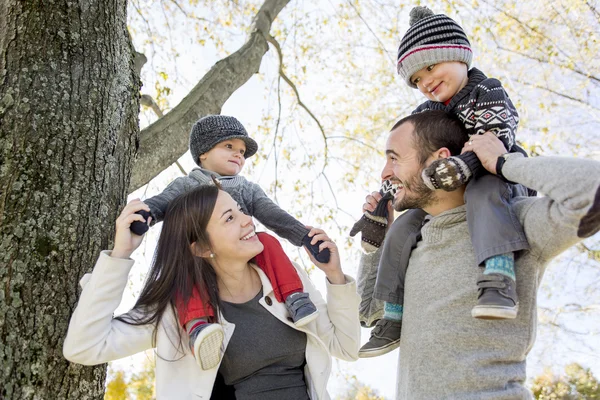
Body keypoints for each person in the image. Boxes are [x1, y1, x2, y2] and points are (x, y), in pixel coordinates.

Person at [357, 110, 600, 398]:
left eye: (394, 158)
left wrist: (504, 162)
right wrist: (375, 244)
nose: (384, 173)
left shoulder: (515, 221)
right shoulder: (410, 243)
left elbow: (592, 189)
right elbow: (368, 313)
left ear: (439, 159)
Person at [63, 184, 360, 399]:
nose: (248, 220)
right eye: (230, 218)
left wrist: (334, 276)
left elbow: (346, 347)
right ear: (203, 248)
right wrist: (119, 255)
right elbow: (85, 346)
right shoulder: (178, 313)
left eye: (240, 210)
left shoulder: (286, 283)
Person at [356, 6, 532, 357]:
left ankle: (498, 275)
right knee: (404, 226)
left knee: (483, 193)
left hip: (497, 172)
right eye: (417, 79)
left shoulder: (487, 92)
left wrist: (464, 166)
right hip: (447, 181)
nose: (426, 82)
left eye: (431, 67)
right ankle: (393, 312)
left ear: (458, 54)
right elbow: (411, 161)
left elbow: (495, 139)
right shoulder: (425, 114)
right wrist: (386, 200)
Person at [129, 115, 331, 368]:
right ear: (203, 152)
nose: (238, 155)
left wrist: (303, 236)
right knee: (186, 266)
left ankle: (295, 297)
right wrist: (145, 215)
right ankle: (198, 326)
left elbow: (272, 214)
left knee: (267, 240)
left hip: (242, 251)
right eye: (229, 147)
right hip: (204, 251)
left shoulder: (247, 189)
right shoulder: (187, 185)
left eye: (242, 152)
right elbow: (162, 202)